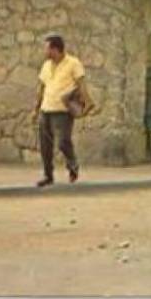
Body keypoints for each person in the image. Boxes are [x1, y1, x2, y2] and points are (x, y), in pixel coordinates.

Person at [34, 35, 87, 187]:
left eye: (47, 48)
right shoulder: (46, 65)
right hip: (46, 108)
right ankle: (48, 175)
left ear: (55, 49)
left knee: (63, 141)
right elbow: (42, 87)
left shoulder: (73, 63)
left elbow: (81, 84)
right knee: (45, 145)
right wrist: (36, 108)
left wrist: (84, 103)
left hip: (63, 110)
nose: (45, 51)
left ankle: (72, 165)